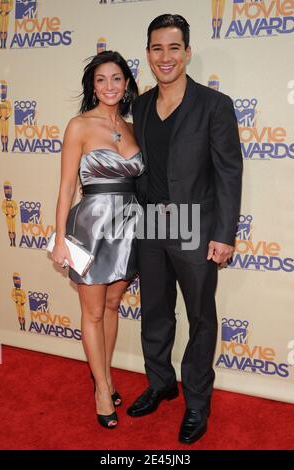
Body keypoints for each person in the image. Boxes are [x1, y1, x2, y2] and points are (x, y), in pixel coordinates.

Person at [127, 14, 243, 444]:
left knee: (200, 319)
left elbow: (229, 172)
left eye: (174, 48)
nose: (165, 57)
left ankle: (197, 402)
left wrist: (225, 233)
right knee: (154, 314)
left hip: (196, 226)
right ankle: (160, 383)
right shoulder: (138, 104)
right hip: (150, 224)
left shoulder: (215, 105)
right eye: (157, 48)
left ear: (188, 52)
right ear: (149, 55)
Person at [51, 51, 143, 429]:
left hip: (130, 225)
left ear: (126, 84)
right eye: (101, 79)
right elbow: (67, 186)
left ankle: (102, 373)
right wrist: (60, 240)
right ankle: (102, 390)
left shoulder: (134, 127)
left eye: (117, 78)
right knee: (91, 310)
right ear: (93, 85)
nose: (110, 86)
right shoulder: (79, 125)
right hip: (91, 225)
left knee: (111, 305)